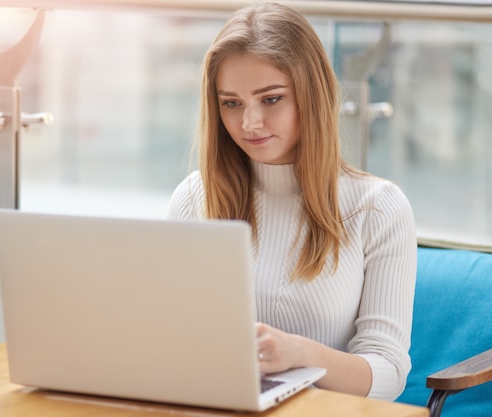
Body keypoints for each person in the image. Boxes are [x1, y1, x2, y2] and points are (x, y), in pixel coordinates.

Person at [165, 3, 417, 402]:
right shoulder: (194, 198)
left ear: (312, 96)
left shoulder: (379, 209)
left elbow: (387, 375)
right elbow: (169, 338)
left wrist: (301, 354)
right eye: (231, 103)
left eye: (270, 99)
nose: (249, 123)